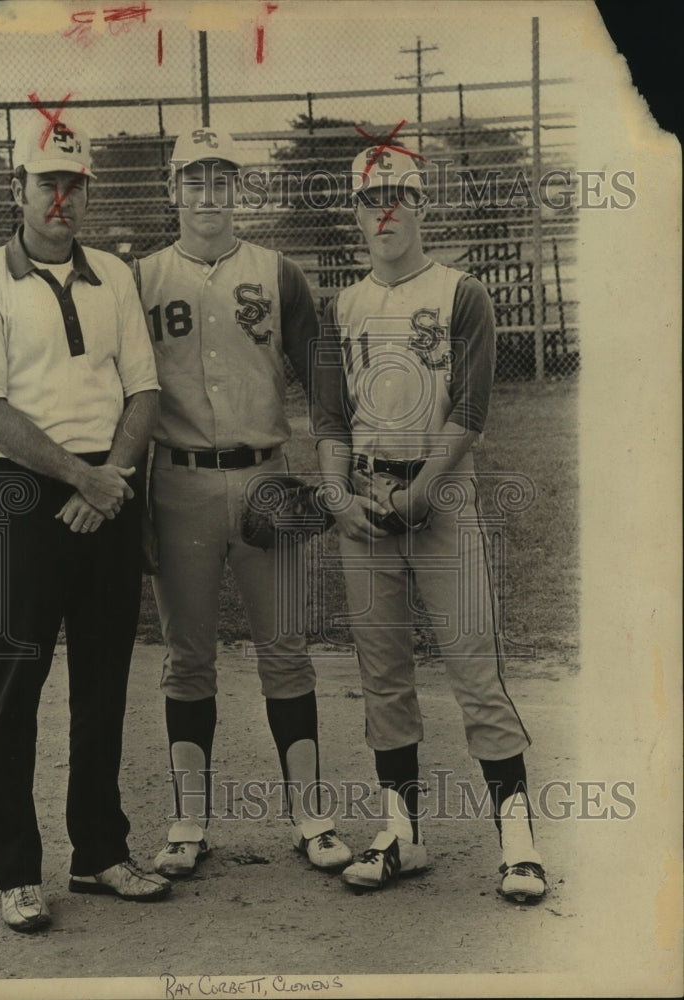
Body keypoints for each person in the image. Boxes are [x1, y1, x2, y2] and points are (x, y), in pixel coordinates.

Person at [0, 115, 168, 932]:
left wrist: (111, 483)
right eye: (48, 182)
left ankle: (101, 852)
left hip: (110, 487)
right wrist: (84, 478)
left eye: (76, 185)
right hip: (24, 498)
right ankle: (15, 871)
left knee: (104, 685)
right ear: (19, 189)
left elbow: (143, 390)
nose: (62, 198)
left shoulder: (115, 273)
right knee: (13, 690)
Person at [311, 145, 547, 901]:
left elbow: (471, 410)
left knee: (474, 667)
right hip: (367, 501)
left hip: (437, 498)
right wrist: (337, 495)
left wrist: (423, 492)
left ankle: (517, 840)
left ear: (422, 207)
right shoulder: (340, 306)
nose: (385, 211)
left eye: (400, 196)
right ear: (354, 211)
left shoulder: (460, 293)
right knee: (382, 674)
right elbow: (328, 417)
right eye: (370, 197)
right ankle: (402, 834)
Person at [133, 128, 352, 877]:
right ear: (173, 190)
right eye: (194, 178)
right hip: (179, 481)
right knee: (186, 659)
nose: (208, 192)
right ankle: (188, 824)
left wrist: (329, 466)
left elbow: (322, 373)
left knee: (286, 654)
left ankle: (312, 820)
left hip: (268, 478)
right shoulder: (143, 277)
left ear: (239, 190)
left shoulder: (278, 271)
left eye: (222, 178)